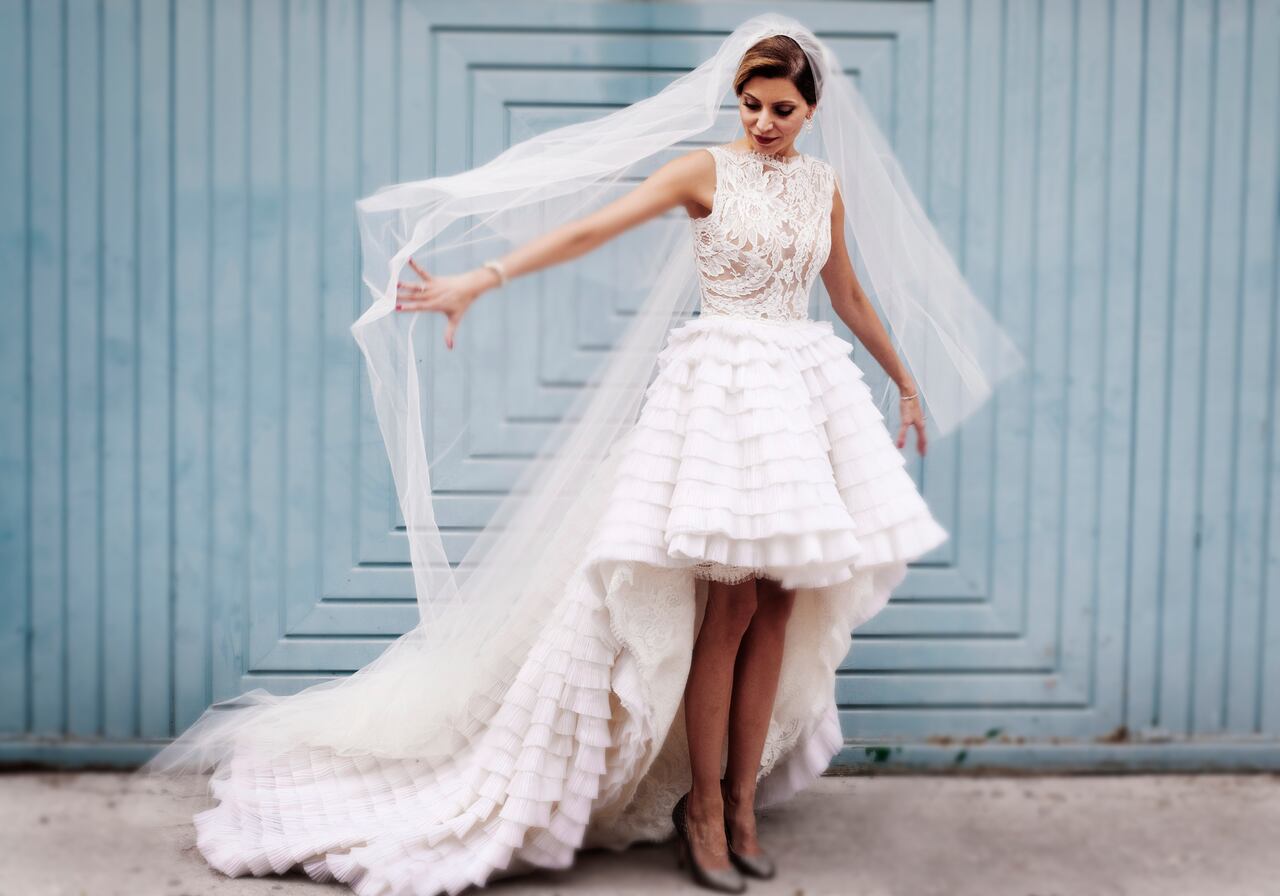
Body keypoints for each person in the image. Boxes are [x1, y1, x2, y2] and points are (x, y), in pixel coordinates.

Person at [137, 14, 1022, 896]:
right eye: (749, 104)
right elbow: (594, 230)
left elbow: (848, 291)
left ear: (811, 110)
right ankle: (704, 812)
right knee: (728, 607)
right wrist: (483, 278)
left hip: (797, 397)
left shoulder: (822, 186)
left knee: (780, 605)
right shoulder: (704, 171)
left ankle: (740, 804)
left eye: (780, 109)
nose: (761, 122)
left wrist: (905, 380)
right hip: (722, 394)